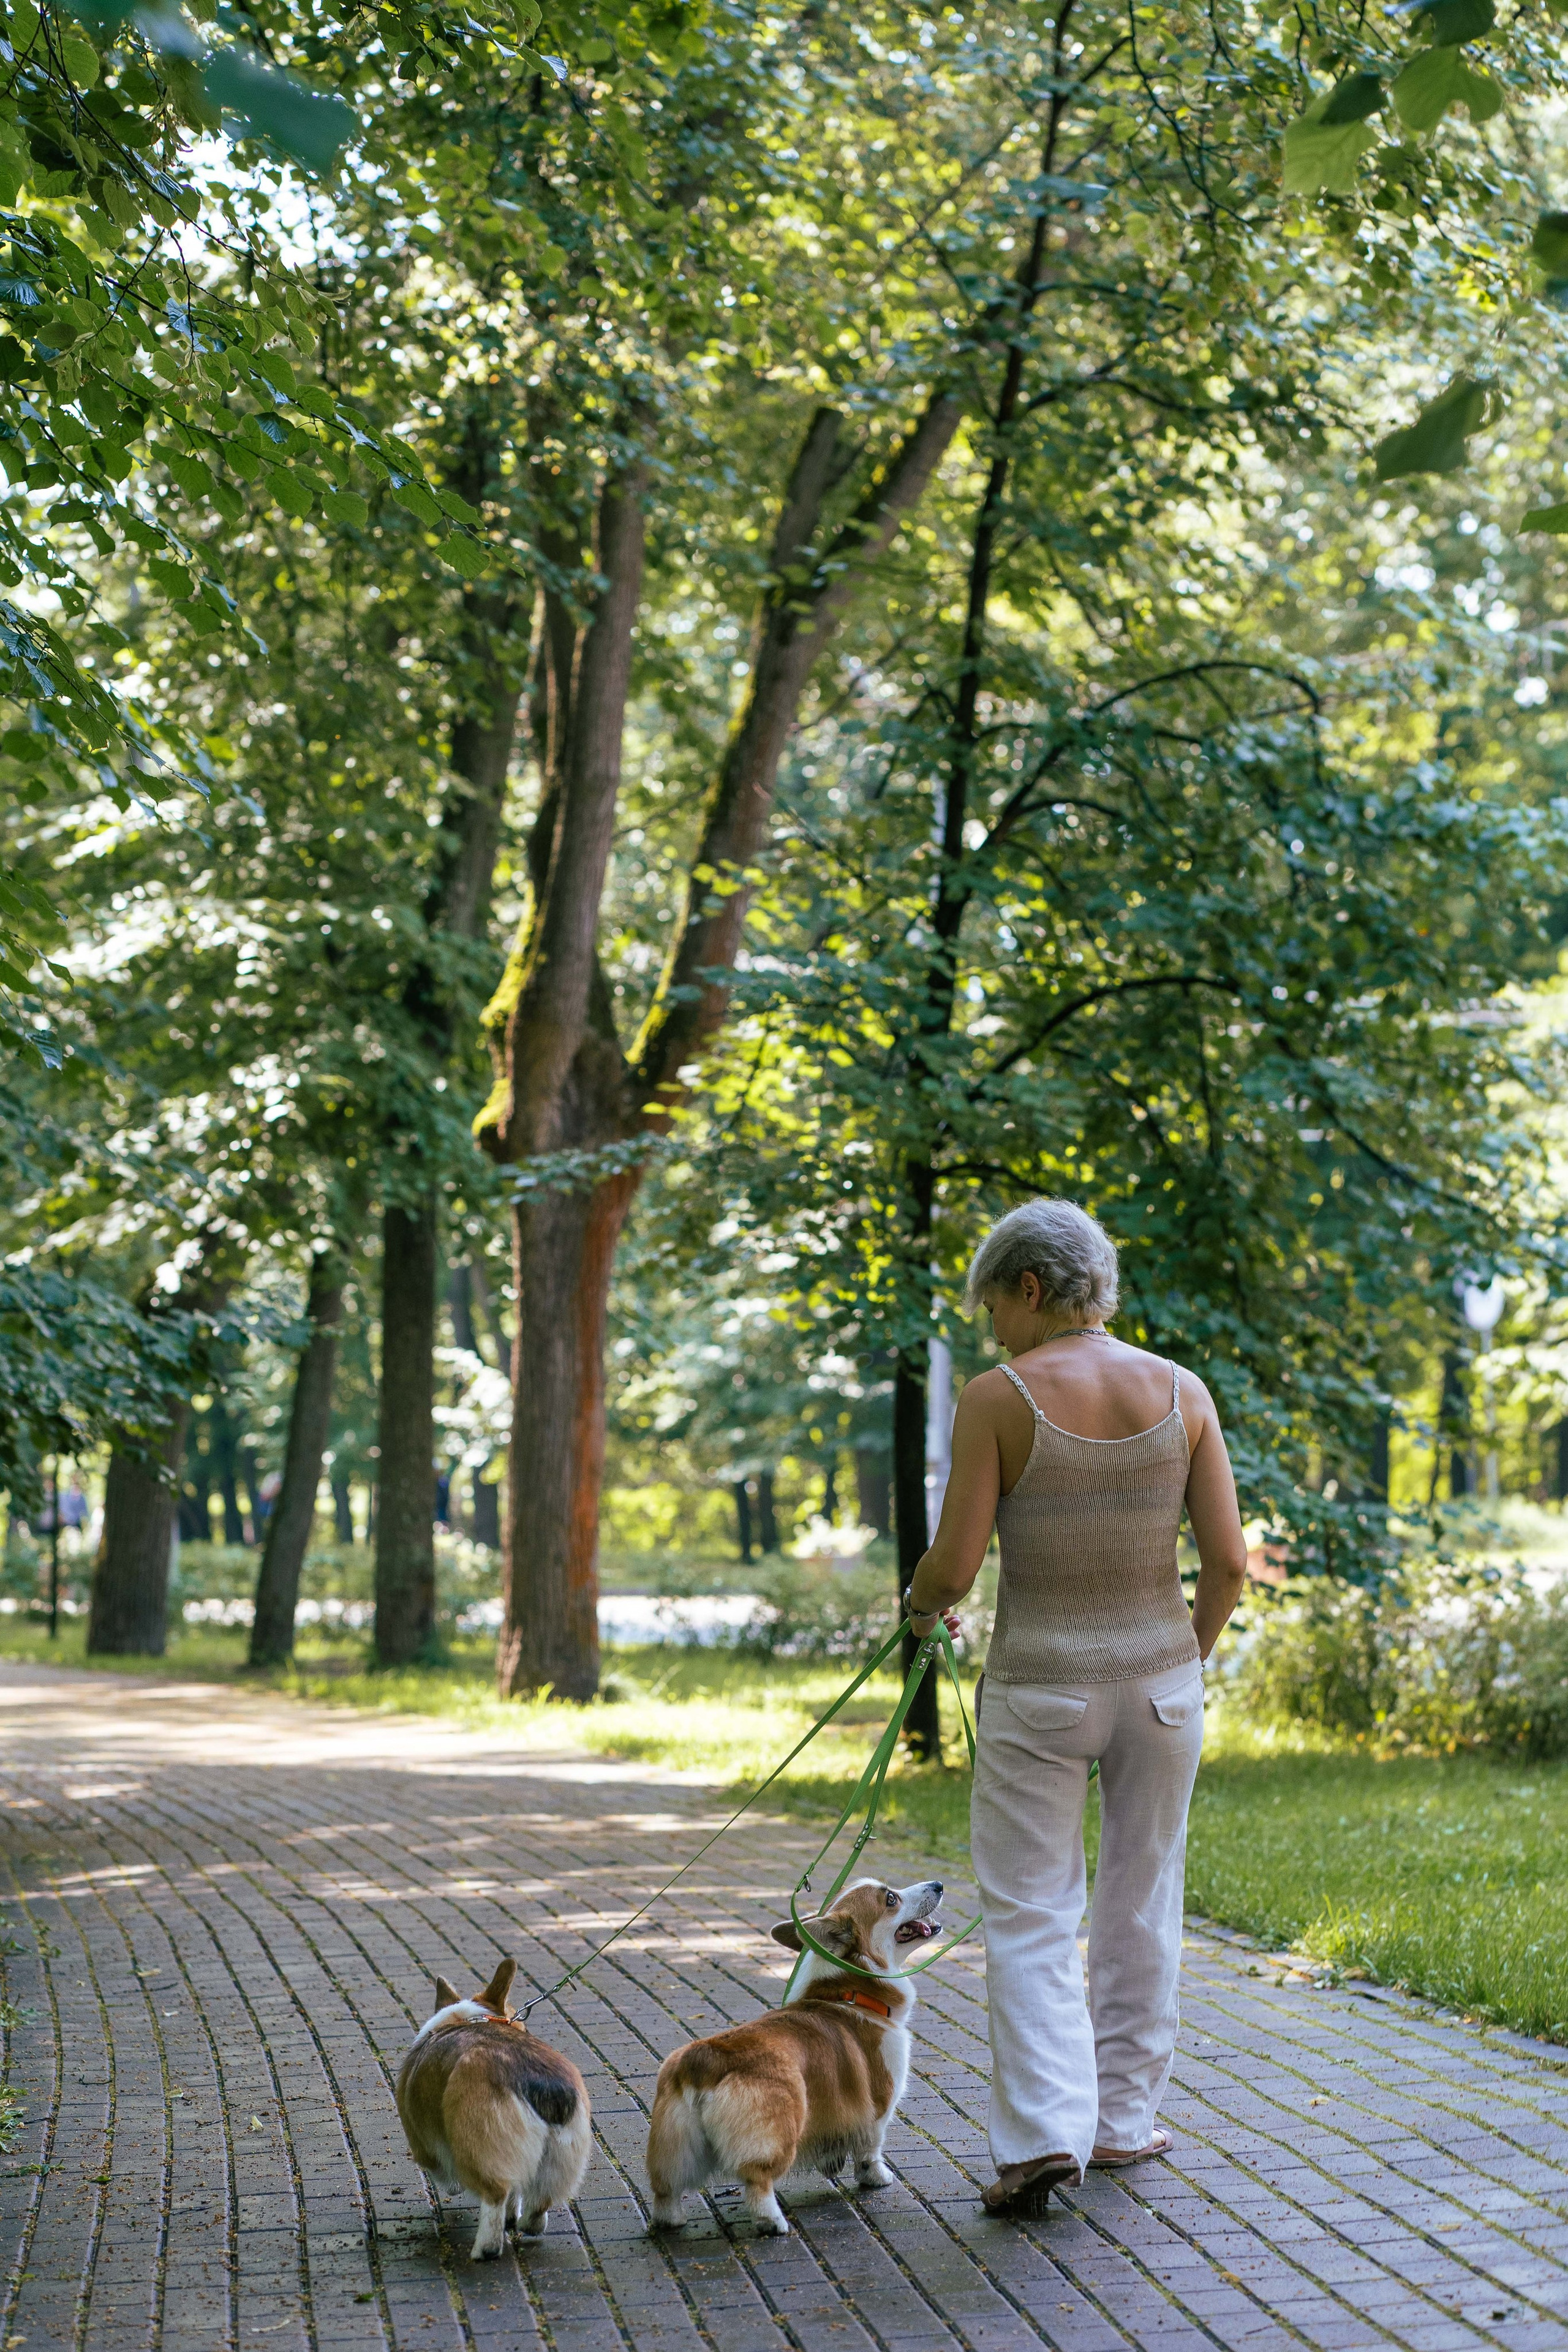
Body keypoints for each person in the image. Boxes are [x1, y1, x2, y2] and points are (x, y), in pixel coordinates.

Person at [903, 1198, 1248, 2219]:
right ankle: (1123, 2125)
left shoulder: (998, 1397)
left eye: (992, 1309)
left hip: (1041, 1688)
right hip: (1161, 1689)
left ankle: (1044, 2137)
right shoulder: (1183, 1391)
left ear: (1030, 1288)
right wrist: (1183, 1659)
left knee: (1031, 1911)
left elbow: (956, 1566)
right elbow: (1227, 1563)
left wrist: (920, 1610)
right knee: (1143, 1898)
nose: (991, 1332)